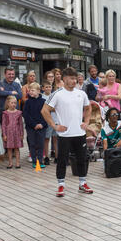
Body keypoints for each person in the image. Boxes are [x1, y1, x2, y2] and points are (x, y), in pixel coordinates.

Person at [41, 67, 92, 198]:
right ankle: (61, 185)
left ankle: (82, 183)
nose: (74, 81)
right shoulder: (58, 94)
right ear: (64, 79)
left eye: (75, 78)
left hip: (80, 133)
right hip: (64, 135)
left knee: (82, 159)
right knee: (62, 160)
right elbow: (44, 110)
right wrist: (54, 126)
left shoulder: (81, 93)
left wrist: (86, 121)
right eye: (71, 78)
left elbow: (88, 107)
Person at [101, 107, 121, 174]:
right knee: (104, 154)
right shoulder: (104, 129)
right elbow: (105, 144)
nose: (115, 116)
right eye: (113, 115)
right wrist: (106, 154)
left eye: (116, 114)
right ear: (108, 117)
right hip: (111, 149)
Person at [23, 82, 48, 168]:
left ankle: (40, 161)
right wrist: (34, 125)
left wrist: (42, 124)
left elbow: (46, 114)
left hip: (42, 127)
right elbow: (26, 115)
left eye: (33, 90)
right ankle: (34, 161)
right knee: (32, 144)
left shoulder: (44, 102)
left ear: (38, 91)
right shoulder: (27, 102)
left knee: (41, 144)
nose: (30, 92)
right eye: (29, 90)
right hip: (31, 127)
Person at [2, 96, 24, 169]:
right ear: (8, 103)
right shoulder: (5, 113)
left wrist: (21, 134)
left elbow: (21, 124)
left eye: (15, 103)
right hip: (8, 134)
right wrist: (4, 135)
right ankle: (10, 163)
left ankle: (18, 163)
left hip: (17, 133)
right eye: (12, 103)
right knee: (9, 148)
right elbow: (4, 125)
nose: (14, 104)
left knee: (17, 148)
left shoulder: (19, 113)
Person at [40, 80, 57, 165]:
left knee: (55, 139)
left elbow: (56, 108)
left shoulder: (54, 96)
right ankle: (46, 156)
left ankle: (57, 157)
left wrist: (50, 108)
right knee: (46, 139)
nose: (48, 88)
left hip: (55, 120)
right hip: (47, 121)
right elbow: (45, 109)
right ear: (43, 88)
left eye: (49, 87)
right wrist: (50, 108)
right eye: (46, 87)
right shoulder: (42, 98)